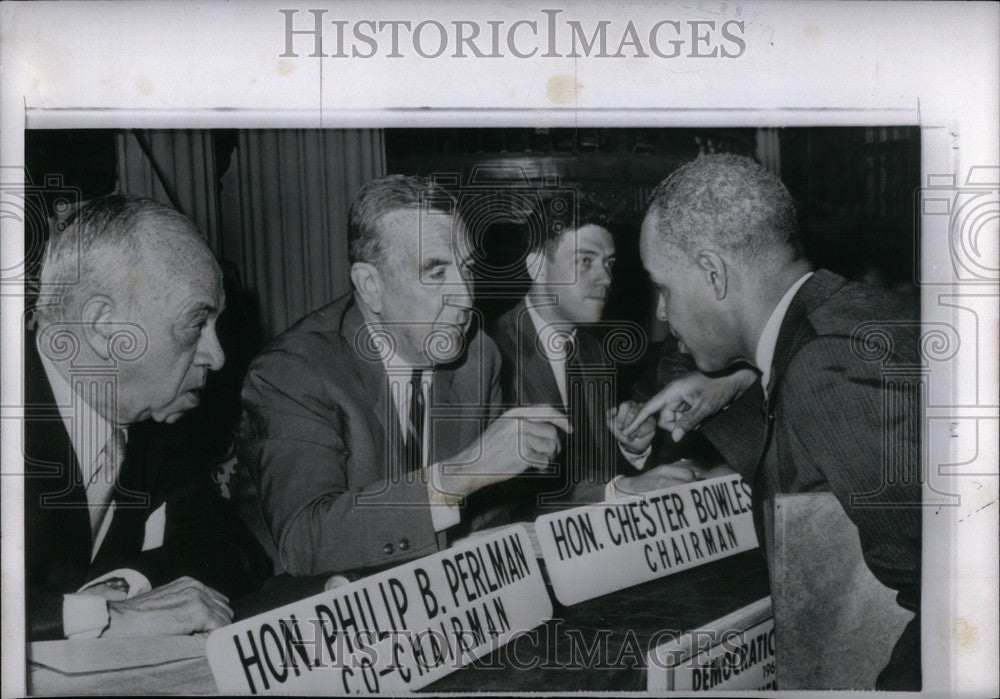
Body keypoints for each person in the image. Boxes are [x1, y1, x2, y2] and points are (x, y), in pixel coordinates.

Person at [625, 154, 921, 690]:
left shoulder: (830, 366)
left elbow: (956, 591)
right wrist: (737, 381)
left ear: (713, 273)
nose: (663, 313)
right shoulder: (846, 319)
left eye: (663, 286)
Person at [236, 175, 567, 577]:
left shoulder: (479, 357)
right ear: (371, 287)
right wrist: (461, 474)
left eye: (467, 268)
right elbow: (305, 539)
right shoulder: (293, 372)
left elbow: (486, 512)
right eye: (435, 272)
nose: (465, 298)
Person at [25, 194, 262, 640]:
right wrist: (112, 618)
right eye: (196, 324)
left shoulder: (156, 419)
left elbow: (236, 552)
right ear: (104, 328)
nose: (217, 355)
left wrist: (122, 586)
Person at [492, 195, 732, 515]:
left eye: (609, 264)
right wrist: (623, 489)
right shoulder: (491, 353)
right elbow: (508, 499)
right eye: (586, 261)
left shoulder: (593, 352)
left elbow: (596, 473)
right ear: (536, 265)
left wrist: (632, 447)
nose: (606, 279)